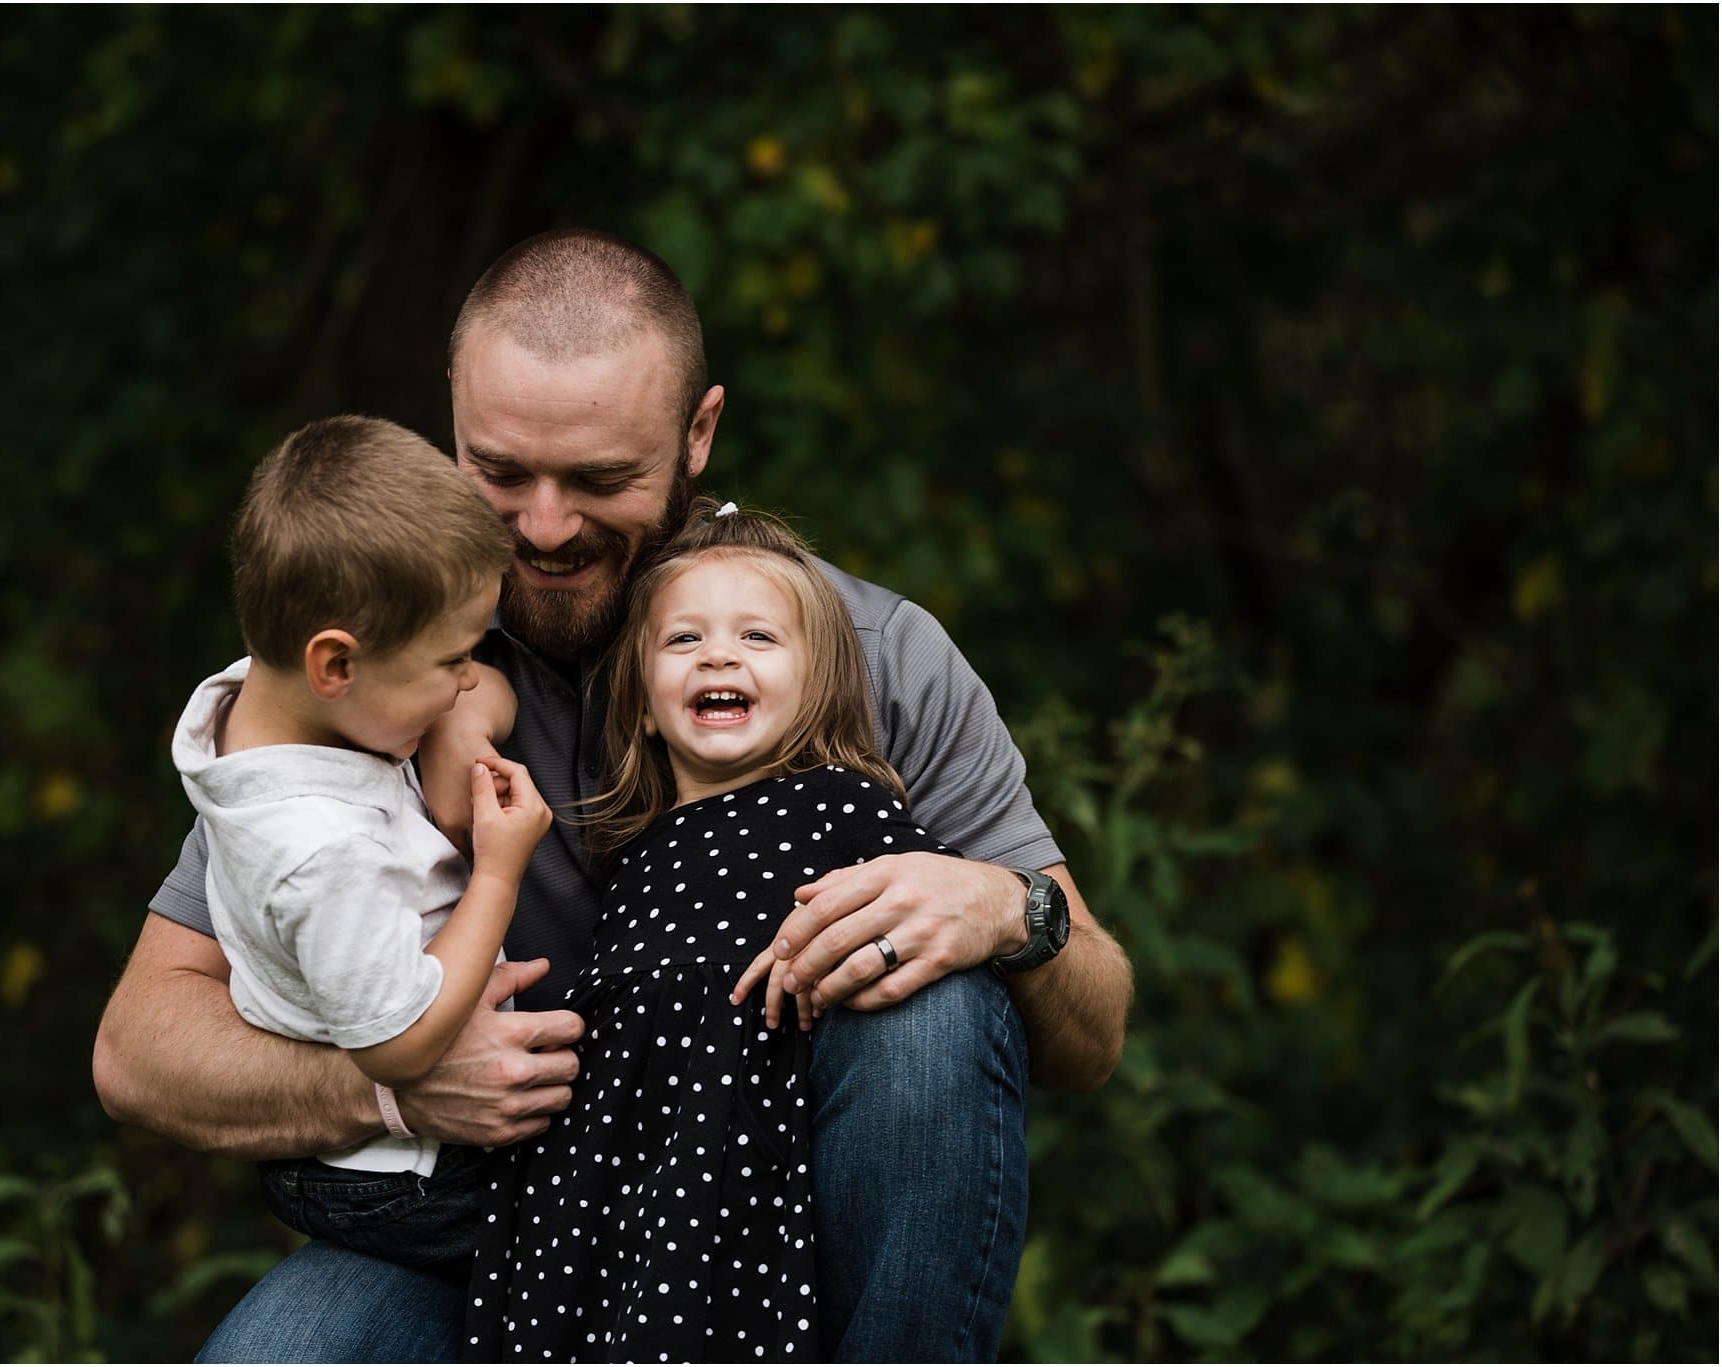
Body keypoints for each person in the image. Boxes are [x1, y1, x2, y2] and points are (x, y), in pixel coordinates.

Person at [93, 228, 1134, 1362]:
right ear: (451, 420)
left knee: (933, 1017)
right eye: (497, 473)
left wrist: (1005, 911)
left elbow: (1092, 1034)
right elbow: (140, 1046)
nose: (542, 527)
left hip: (766, 1207)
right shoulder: (383, 666)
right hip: (486, 1228)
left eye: (599, 480)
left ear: (698, 434)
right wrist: (394, 1083)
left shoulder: (871, 652)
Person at [464, 498, 967, 1361]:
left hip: (741, 1173)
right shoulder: (630, 851)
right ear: (647, 707)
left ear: (818, 690)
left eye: (759, 639)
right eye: (684, 640)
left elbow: (917, 917)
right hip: (607, 1181)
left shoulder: (841, 808)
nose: (720, 654)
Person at [169, 415, 551, 1274]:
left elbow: (483, 688)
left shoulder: (262, 709)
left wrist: (455, 720)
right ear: (335, 665)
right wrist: (497, 873)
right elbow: (401, 1045)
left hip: (379, 1153)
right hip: (397, 1177)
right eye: (449, 659)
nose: (469, 675)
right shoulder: (317, 851)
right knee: (592, 1250)